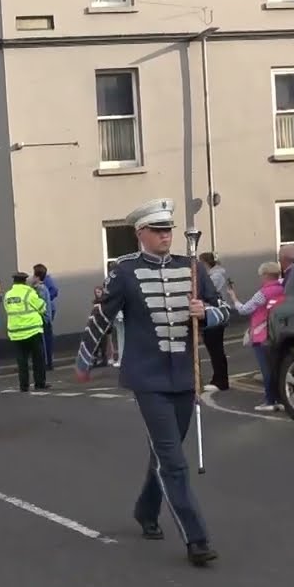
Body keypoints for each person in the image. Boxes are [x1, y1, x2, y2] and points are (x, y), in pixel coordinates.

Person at [74, 198, 228, 567]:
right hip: (147, 377)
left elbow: (223, 311)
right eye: (157, 231)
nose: (165, 236)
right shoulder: (125, 272)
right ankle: (197, 538)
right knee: (174, 461)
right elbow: (103, 315)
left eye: (168, 230)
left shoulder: (191, 267)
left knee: (164, 452)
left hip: (185, 377)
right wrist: (84, 359)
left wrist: (205, 312)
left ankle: (146, 509)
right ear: (140, 233)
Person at [225, 262, 286, 412]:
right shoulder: (285, 288)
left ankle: (270, 401)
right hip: (279, 333)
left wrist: (234, 298)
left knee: (266, 369)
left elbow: (245, 310)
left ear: (265, 275)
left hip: (261, 334)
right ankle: (281, 399)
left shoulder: (263, 293)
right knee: (277, 368)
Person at [2, 271, 48, 392]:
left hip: (16, 332)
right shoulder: (29, 292)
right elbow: (42, 307)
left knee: (22, 361)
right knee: (38, 359)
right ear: (24, 281)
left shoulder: (8, 295)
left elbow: (8, 310)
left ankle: (24, 385)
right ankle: (39, 383)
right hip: (32, 330)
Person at [198, 252, 231, 392]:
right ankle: (218, 379)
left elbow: (209, 295)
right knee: (215, 350)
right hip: (216, 315)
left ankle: (220, 381)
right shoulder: (218, 274)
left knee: (215, 349)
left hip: (213, 315)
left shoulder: (214, 276)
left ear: (205, 263)